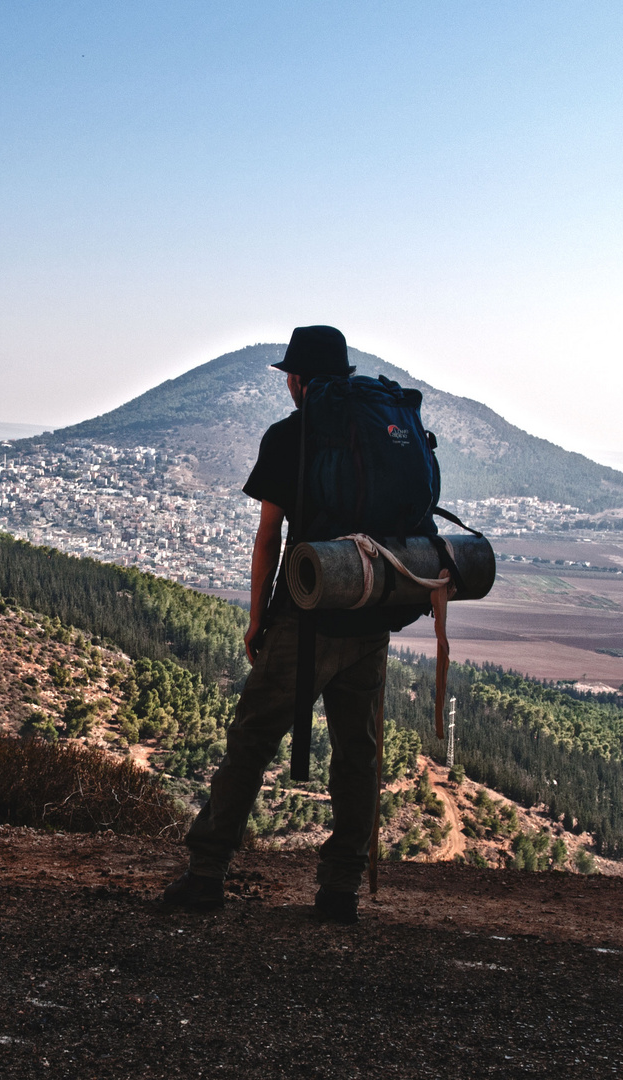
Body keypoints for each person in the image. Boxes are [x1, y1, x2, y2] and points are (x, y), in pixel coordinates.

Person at [163, 325, 390, 924]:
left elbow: (270, 535)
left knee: (251, 741)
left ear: (297, 379)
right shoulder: (379, 433)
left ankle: (207, 872)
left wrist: (258, 615)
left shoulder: (292, 436)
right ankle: (340, 889)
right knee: (356, 755)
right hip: (370, 616)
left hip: (306, 620)